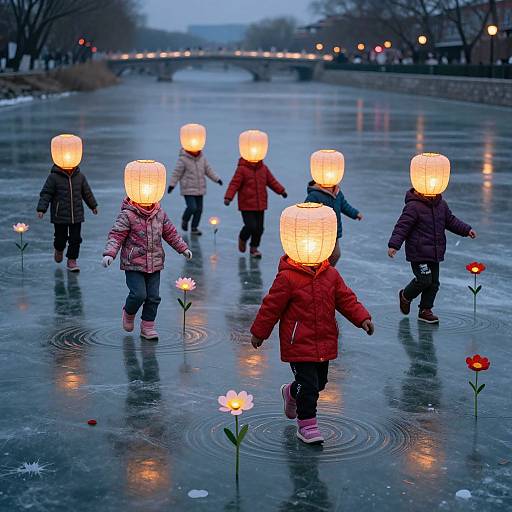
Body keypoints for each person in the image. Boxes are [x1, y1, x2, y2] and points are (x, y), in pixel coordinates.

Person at [250, 252, 374, 444]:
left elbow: (346, 298)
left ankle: (291, 392)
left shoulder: (331, 274)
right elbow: (271, 307)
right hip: (298, 343)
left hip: (324, 341)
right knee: (308, 386)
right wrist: (259, 332)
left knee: (319, 383)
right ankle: (307, 425)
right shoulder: (287, 277)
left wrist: (362, 317)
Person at [102, 197, 192, 340]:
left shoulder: (159, 213)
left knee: (153, 297)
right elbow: (116, 235)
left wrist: (183, 248)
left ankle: (147, 327)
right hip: (133, 264)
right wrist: (110, 254)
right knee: (138, 294)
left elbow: (170, 233)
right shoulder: (127, 214)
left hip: (155, 263)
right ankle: (129, 313)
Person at [388, 187, 476, 324]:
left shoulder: (441, 205)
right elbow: (402, 226)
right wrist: (394, 245)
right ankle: (405, 295)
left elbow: (451, 221)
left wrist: (466, 229)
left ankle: (425, 310)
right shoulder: (413, 206)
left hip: (435, 251)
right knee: (424, 279)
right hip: (418, 252)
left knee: (434, 283)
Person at [37, 150, 98, 272]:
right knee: (60, 238)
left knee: (75, 239)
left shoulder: (80, 177)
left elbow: (87, 193)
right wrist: (42, 209)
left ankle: (72, 260)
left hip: (77, 215)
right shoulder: (53, 177)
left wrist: (93, 205)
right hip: (60, 215)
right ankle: (59, 249)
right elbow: (46, 193)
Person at [224, 157, 287, 259]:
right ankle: (242, 238)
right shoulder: (242, 169)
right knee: (251, 226)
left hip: (260, 204)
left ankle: (254, 248)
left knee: (259, 228)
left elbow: (272, 181)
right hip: (246, 205)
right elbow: (234, 184)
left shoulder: (263, 168)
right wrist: (228, 197)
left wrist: (281, 191)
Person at [167, 144, 222, 236]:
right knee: (192, 207)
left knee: (199, 210)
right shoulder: (183, 159)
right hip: (188, 189)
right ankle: (185, 219)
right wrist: (172, 185)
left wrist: (217, 179)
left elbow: (208, 170)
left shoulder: (202, 158)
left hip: (200, 188)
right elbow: (176, 173)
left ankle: (194, 228)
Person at [305, 181, 362, 266]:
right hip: (320, 233)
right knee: (322, 255)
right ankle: (318, 271)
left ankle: (327, 272)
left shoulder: (337, 192)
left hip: (334, 231)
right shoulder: (314, 195)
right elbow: (306, 210)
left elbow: (344, 205)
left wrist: (355, 213)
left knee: (335, 254)